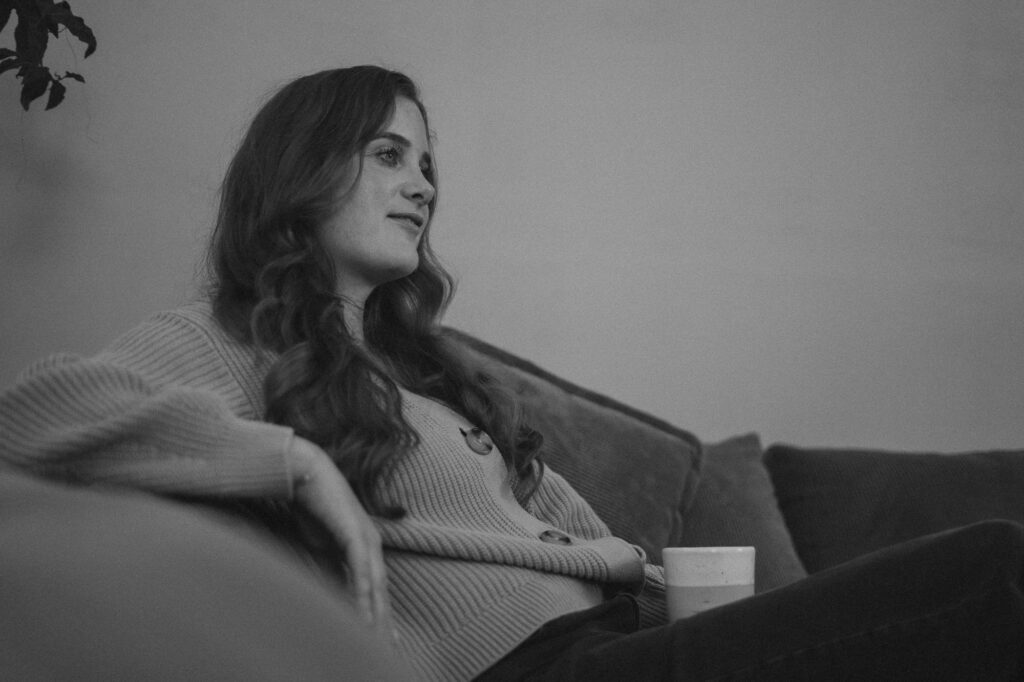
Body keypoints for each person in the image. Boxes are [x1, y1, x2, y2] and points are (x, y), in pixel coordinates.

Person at [1, 65, 1022, 681]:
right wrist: (294, 464)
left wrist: (702, 595)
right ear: (304, 170)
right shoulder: (235, 338)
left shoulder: (432, 374)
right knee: (992, 571)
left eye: (427, 165)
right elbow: (29, 412)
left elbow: (591, 550)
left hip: (615, 643)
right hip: (536, 673)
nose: (422, 186)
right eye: (390, 155)